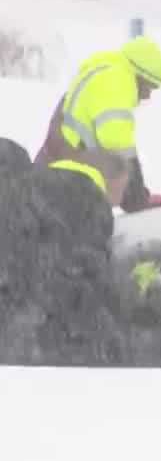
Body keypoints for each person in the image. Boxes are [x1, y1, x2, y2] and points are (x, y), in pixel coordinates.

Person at [0, 149, 132, 366]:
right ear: (111, 182)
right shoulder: (86, 195)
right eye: (120, 192)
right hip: (30, 323)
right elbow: (88, 272)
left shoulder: (19, 185)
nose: (116, 203)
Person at [34, 35, 161, 213]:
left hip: (52, 171)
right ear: (139, 75)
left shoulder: (104, 71)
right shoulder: (116, 81)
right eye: (149, 86)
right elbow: (118, 145)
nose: (148, 96)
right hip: (65, 179)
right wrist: (136, 197)